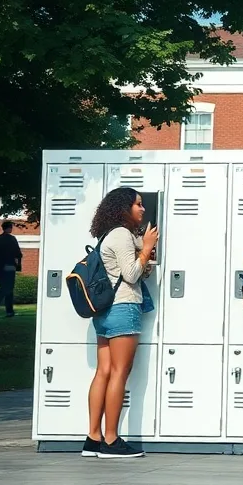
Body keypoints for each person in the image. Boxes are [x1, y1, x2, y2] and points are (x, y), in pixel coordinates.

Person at [83, 187, 158, 459]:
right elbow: (131, 273)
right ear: (124, 208)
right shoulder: (123, 234)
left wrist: (144, 253)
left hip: (104, 313)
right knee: (119, 373)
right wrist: (147, 247)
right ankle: (111, 441)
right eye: (138, 204)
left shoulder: (108, 234)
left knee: (104, 371)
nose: (142, 209)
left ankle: (93, 438)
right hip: (123, 307)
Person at [0, 220, 23, 318]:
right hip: (9, 266)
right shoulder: (12, 239)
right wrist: (18, 265)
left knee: (4, 287)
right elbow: (18, 254)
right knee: (8, 289)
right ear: (9, 228)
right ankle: (2, 308)